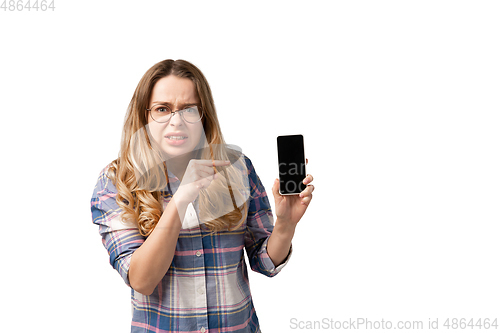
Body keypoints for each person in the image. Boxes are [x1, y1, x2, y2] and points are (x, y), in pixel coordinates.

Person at [90, 59, 314, 332]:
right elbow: (141, 280)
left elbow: (264, 262)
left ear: (204, 115)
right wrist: (182, 199)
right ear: (144, 116)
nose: (177, 121)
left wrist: (286, 225)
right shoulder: (117, 181)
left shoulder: (238, 168)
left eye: (189, 110)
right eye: (163, 109)